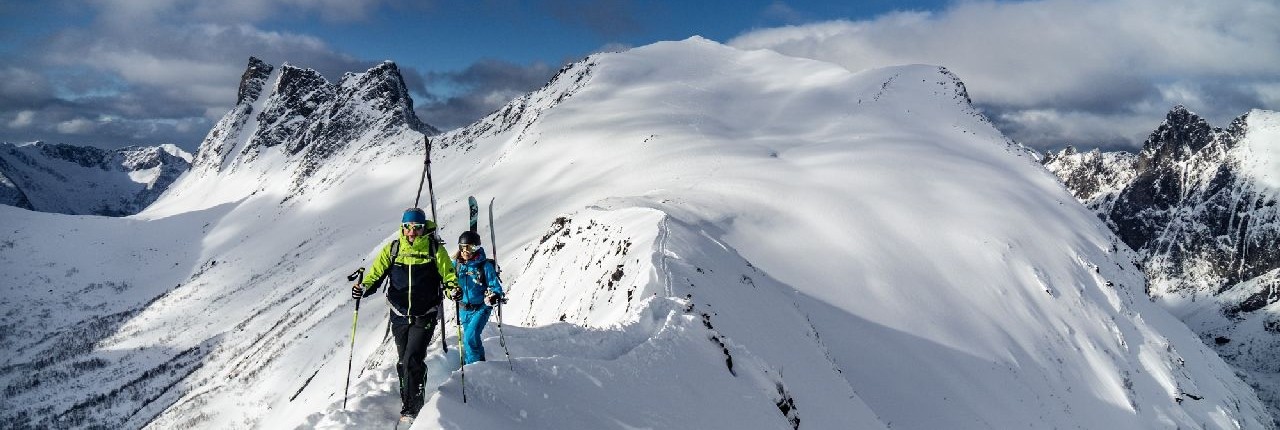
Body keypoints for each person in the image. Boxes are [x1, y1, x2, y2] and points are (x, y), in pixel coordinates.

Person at [351, 208, 456, 419]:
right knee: (403, 361)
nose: (412, 232)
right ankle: (409, 393)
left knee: (412, 359)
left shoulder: (435, 250)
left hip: (425, 313)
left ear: (423, 228)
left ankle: (412, 408)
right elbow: (375, 276)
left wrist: (453, 288)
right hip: (398, 313)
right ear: (403, 227)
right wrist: (363, 289)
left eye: (417, 228)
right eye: (408, 227)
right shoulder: (393, 249)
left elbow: (448, 276)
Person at [451, 230, 504, 365]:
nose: (466, 251)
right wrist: (452, 290)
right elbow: (447, 280)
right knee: (471, 339)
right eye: (462, 247)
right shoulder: (457, 265)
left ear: (477, 248)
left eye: (470, 247)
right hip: (463, 309)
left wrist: (493, 296)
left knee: (469, 337)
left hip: (481, 307)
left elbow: (496, 287)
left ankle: (472, 368)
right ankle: (480, 365)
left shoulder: (484, 266)